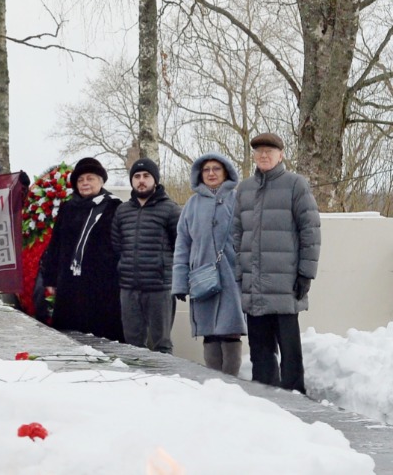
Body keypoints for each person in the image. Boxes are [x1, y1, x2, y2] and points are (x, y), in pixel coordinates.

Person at [232, 133, 320, 393]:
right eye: (259, 151)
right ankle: (264, 398)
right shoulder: (245, 189)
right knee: (260, 352)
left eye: (269, 151)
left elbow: (311, 231)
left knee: (290, 353)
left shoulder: (296, 185)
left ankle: (295, 400)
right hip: (254, 286)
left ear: (281, 155)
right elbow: (236, 233)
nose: (263, 155)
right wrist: (240, 270)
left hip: (285, 285)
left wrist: (306, 273)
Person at [172, 153, 246, 375]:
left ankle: (231, 383)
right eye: (206, 170)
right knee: (210, 332)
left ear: (226, 172)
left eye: (216, 169)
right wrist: (179, 283)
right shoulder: (191, 206)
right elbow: (182, 245)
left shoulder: (238, 201)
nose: (211, 173)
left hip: (233, 278)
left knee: (231, 330)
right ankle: (213, 382)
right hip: (201, 277)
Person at [38, 157, 124, 342]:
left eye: (90, 178)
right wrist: (50, 279)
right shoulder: (68, 208)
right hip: (70, 285)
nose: (85, 183)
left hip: (103, 286)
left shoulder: (114, 207)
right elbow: (56, 245)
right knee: (70, 337)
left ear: (101, 181)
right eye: (80, 180)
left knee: (102, 338)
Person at [111, 158, 181, 353]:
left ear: (155, 180)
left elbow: (181, 247)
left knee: (162, 344)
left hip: (159, 288)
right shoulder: (122, 211)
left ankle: (165, 382)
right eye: (137, 176)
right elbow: (117, 245)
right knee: (133, 345)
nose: (141, 180)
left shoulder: (170, 209)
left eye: (146, 176)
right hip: (129, 288)